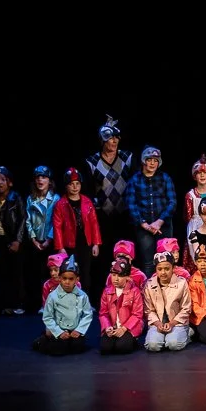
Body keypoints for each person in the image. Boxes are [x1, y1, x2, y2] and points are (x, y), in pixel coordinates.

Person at [85, 115, 135, 292]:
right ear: (102, 140)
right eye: (109, 138)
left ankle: (128, 292)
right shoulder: (92, 162)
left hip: (125, 215)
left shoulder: (127, 157)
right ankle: (104, 293)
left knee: (125, 254)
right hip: (102, 216)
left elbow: (134, 182)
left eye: (116, 138)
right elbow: (89, 191)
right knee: (103, 257)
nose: (113, 141)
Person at [52, 167, 102, 300]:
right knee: (70, 272)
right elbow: (57, 227)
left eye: (77, 184)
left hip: (85, 242)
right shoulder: (61, 204)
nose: (75, 187)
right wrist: (60, 247)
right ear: (66, 186)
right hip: (69, 244)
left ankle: (86, 301)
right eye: (71, 184)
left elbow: (94, 223)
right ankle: (70, 301)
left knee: (85, 273)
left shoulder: (87, 201)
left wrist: (96, 243)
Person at [127, 146, 177, 277]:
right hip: (144, 227)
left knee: (166, 260)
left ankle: (167, 291)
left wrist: (159, 222)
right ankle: (149, 293)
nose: (152, 163)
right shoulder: (135, 180)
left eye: (155, 160)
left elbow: (172, 202)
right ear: (144, 161)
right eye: (149, 160)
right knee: (148, 263)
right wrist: (144, 224)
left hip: (163, 225)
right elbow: (131, 204)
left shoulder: (165, 178)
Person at [0, 165, 26, 315]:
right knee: (0, 273)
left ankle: (18, 304)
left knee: (15, 273)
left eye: (3, 180)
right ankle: (3, 305)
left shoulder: (15, 198)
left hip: (12, 239)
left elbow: (22, 220)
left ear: (9, 182)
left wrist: (17, 241)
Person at [35, 254, 92, 356]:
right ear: (60, 278)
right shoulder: (53, 296)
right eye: (64, 278)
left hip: (75, 329)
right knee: (58, 350)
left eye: (71, 279)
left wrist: (79, 330)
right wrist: (58, 332)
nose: (67, 282)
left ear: (77, 279)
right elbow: (47, 316)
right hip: (59, 328)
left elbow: (88, 315)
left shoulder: (83, 296)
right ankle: (43, 340)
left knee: (77, 348)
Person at [23, 166, 58, 314]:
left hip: (50, 241)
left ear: (49, 181)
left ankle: (53, 305)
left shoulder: (55, 199)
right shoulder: (30, 199)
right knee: (36, 274)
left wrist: (49, 240)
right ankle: (40, 304)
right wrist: (33, 239)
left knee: (51, 274)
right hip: (36, 242)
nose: (40, 180)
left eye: (43, 177)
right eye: (37, 177)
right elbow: (28, 220)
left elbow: (56, 221)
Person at [142, 250, 193, 352]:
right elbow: (149, 310)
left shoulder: (181, 283)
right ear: (156, 270)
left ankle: (187, 334)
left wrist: (172, 323)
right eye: (159, 269)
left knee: (173, 344)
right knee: (153, 346)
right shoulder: (149, 284)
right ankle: (163, 337)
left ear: (173, 268)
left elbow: (186, 308)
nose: (163, 272)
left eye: (167, 269)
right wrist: (157, 324)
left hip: (177, 323)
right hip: (157, 323)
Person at [98, 257, 144, 355]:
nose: (116, 279)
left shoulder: (134, 291)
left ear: (127, 277)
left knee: (122, 348)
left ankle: (133, 340)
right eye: (113, 275)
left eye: (120, 276)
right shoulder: (107, 291)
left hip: (129, 328)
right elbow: (103, 313)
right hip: (113, 326)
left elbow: (137, 314)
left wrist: (124, 328)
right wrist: (107, 327)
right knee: (105, 348)